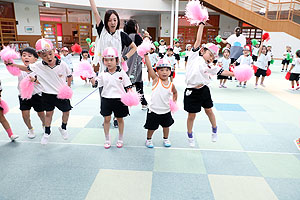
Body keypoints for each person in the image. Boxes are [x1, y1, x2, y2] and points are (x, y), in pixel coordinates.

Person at [9, 39, 73, 145]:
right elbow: (25, 68)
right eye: (44, 55)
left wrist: (68, 87)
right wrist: (13, 65)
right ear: (39, 55)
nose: (48, 57)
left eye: (50, 54)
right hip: (47, 94)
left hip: (61, 93)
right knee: (48, 114)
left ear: (54, 51)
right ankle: (47, 133)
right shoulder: (38, 66)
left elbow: (69, 76)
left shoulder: (63, 64)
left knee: (66, 112)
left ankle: (63, 128)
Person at [184, 22, 234, 147]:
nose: (211, 58)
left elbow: (222, 71)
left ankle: (214, 129)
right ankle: (190, 135)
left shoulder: (210, 66)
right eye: (210, 54)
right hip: (191, 91)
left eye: (213, 57)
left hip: (203, 90)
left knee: (209, 111)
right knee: (191, 116)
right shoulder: (194, 56)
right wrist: (201, 25)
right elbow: (198, 39)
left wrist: (237, 74)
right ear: (202, 51)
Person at [90, 0, 137, 128]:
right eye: (110, 20)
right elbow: (95, 11)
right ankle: (106, 116)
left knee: (118, 94)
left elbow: (134, 48)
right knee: (103, 94)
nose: (112, 22)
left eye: (115, 20)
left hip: (118, 71)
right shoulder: (102, 31)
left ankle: (117, 117)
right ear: (106, 21)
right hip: (104, 71)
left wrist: (125, 57)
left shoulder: (121, 35)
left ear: (118, 21)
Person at [90, 47, 132, 149]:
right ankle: (107, 139)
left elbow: (128, 86)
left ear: (117, 60)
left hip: (119, 100)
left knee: (120, 119)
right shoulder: (102, 74)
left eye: (111, 59)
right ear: (103, 60)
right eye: (106, 60)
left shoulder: (122, 73)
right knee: (106, 119)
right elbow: (96, 84)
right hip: (106, 99)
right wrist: (92, 79)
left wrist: (130, 97)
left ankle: (120, 138)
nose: (109, 62)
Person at [144, 54, 177, 148]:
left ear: (170, 71)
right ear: (157, 71)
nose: (164, 72)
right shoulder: (155, 80)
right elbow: (150, 68)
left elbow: (175, 93)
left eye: (167, 70)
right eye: (161, 70)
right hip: (154, 110)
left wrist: (174, 102)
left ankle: (166, 138)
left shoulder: (171, 84)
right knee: (151, 127)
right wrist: (146, 57)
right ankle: (149, 139)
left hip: (166, 110)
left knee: (166, 126)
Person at [18, 47, 45, 139]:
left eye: (29, 56)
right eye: (24, 55)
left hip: (36, 95)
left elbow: (44, 82)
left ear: (35, 59)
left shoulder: (39, 69)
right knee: (25, 114)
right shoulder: (19, 69)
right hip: (23, 95)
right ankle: (30, 128)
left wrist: (35, 80)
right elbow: (11, 67)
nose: (26, 57)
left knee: (41, 113)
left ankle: (45, 125)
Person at [123, 19, 148, 110]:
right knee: (138, 83)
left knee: (125, 84)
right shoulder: (136, 37)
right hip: (135, 64)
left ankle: (143, 102)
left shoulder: (124, 36)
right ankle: (143, 103)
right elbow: (145, 48)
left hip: (125, 63)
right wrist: (146, 38)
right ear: (135, 27)